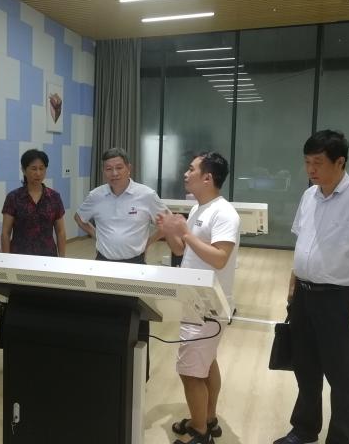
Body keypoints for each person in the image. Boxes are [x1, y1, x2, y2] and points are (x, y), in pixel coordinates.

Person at [274, 130, 349, 444]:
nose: (311, 169)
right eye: (307, 162)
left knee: (341, 375)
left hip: (339, 299)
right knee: (305, 367)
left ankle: (341, 438)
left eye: (318, 163)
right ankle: (304, 429)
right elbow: (303, 243)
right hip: (304, 296)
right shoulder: (309, 196)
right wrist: (293, 283)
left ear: (340, 162)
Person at [157, 152, 239, 444]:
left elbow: (220, 258)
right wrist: (170, 233)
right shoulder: (198, 208)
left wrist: (186, 234)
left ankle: (200, 433)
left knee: (190, 373)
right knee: (206, 364)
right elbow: (182, 251)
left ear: (207, 177)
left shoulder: (224, 212)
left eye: (191, 169)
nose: (185, 173)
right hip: (195, 301)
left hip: (208, 306)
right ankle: (207, 419)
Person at [74, 147, 168, 380]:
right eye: (109, 169)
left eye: (119, 167)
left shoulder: (146, 195)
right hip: (102, 264)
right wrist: (97, 235)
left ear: (129, 168)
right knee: (102, 318)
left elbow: (166, 222)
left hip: (135, 265)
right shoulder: (96, 195)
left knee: (139, 320)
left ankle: (139, 375)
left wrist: (148, 242)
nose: (114, 173)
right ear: (103, 171)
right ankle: (104, 369)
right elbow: (79, 217)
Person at [2, 149, 66, 257]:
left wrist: (62, 257)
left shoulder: (54, 197)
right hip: (20, 256)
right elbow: (5, 233)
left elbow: (60, 231)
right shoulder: (13, 197)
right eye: (34, 168)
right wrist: (6, 259)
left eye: (42, 168)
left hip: (48, 256)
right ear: (24, 170)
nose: (38, 173)